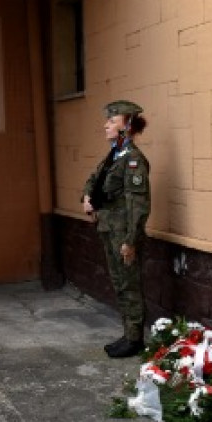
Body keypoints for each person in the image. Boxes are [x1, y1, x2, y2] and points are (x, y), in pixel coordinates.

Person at [82, 100, 151, 359]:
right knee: (119, 283)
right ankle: (128, 333)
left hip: (123, 232)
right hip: (109, 229)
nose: (106, 125)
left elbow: (139, 205)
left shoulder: (133, 160)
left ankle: (135, 339)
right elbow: (94, 180)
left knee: (128, 284)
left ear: (127, 126)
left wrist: (131, 240)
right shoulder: (114, 156)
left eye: (112, 121)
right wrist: (87, 197)